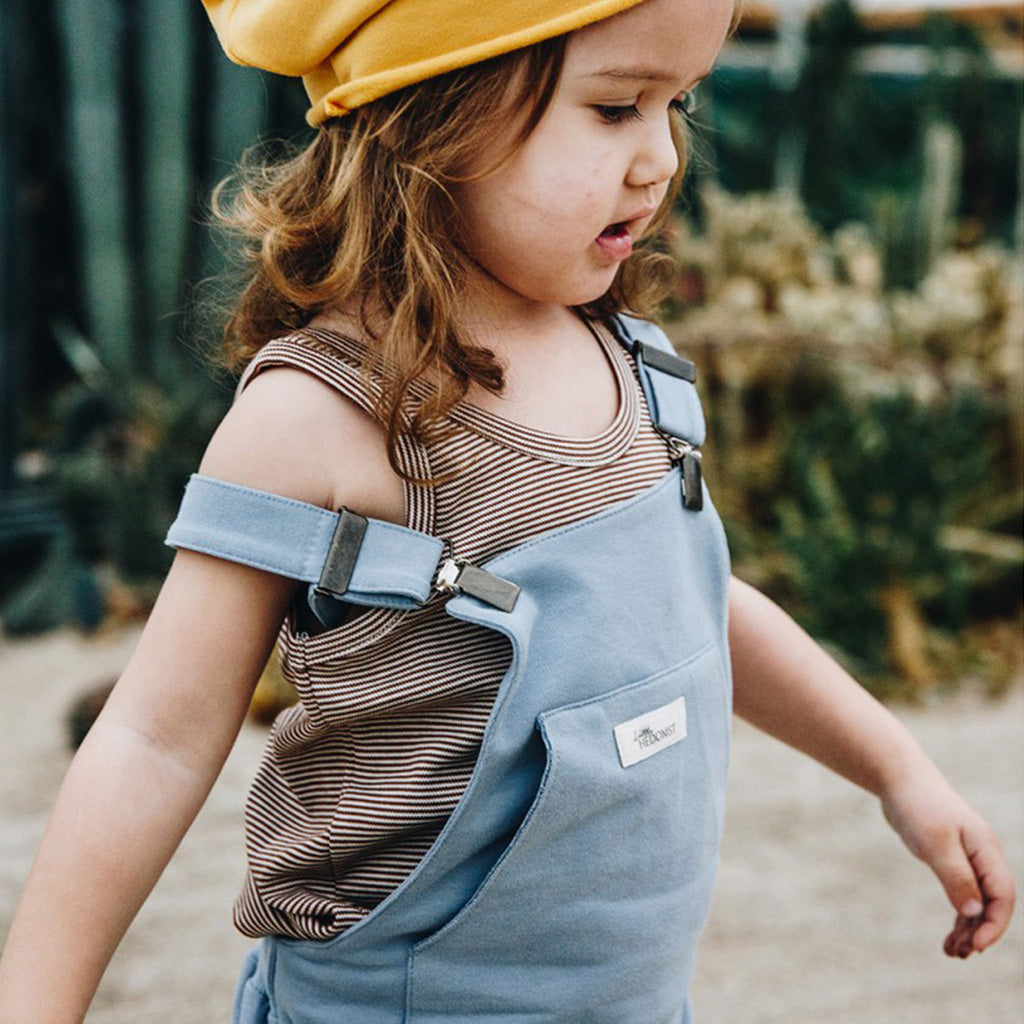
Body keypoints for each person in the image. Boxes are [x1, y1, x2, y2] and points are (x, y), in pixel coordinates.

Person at [0, 0, 1015, 1021]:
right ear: (436, 112)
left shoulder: (636, 368)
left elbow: (694, 601)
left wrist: (897, 771)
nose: (660, 158)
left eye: (679, 103)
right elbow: (153, 739)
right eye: (615, 106)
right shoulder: (320, 418)